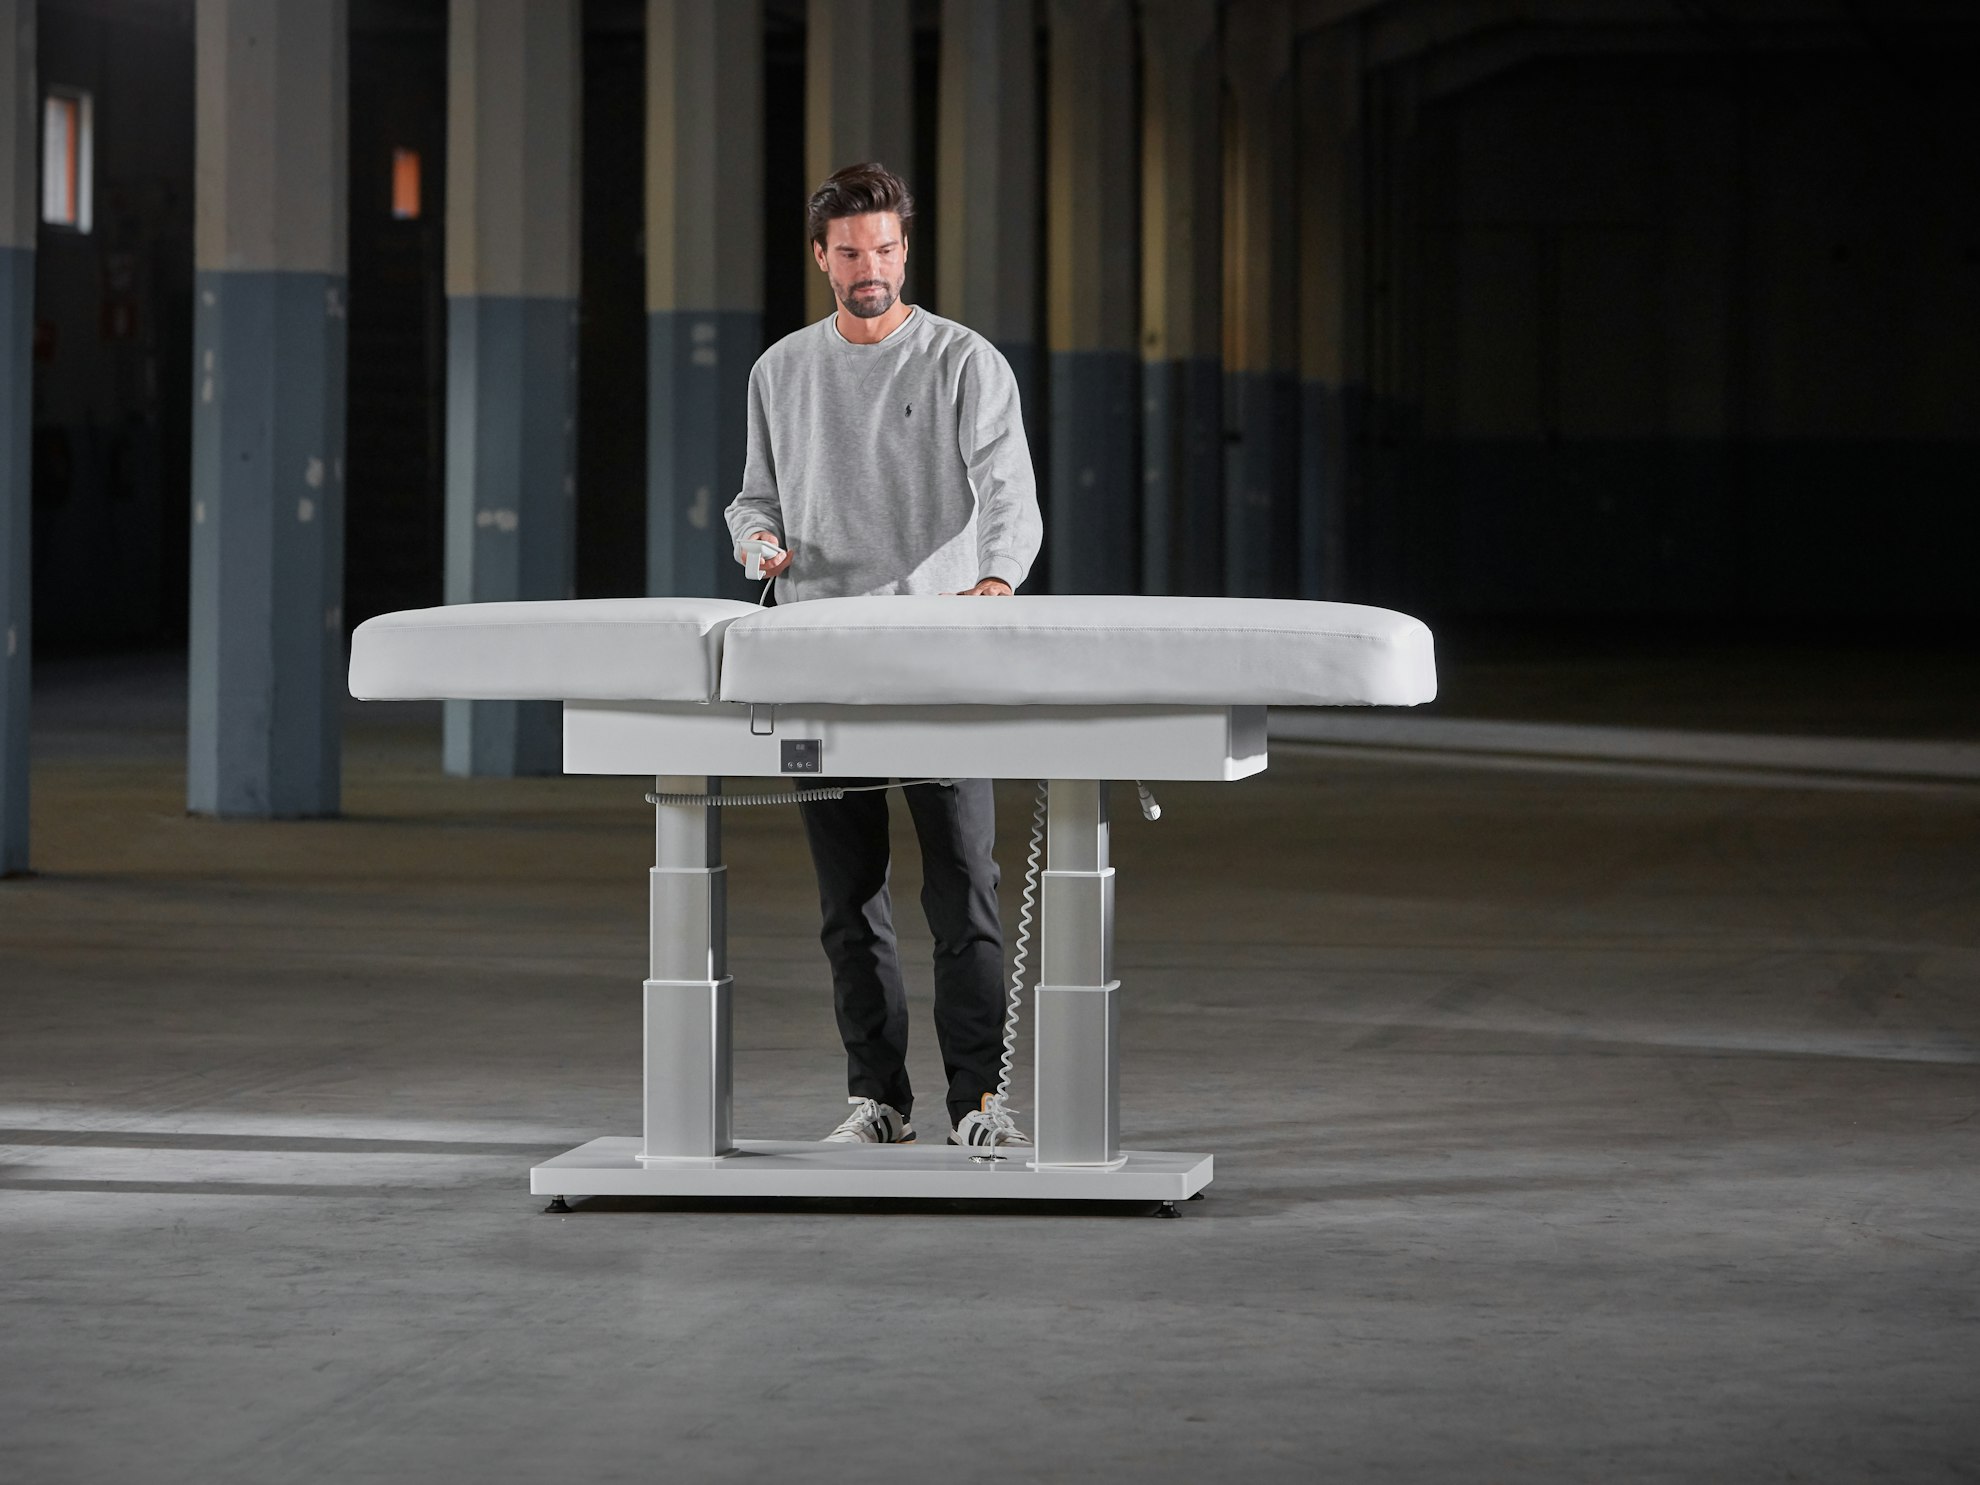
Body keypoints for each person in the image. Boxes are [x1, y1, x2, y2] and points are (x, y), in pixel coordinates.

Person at [724, 162, 1044, 1150]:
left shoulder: (962, 362)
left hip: (938, 654)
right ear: (821, 258)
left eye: (888, 249)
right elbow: (753, 498)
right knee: (848, 900)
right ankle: (879, 1099)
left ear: (906, 250)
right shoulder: (780, 372)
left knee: (964, 891)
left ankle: (979, 1103)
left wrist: (994, 583)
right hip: (820, 659)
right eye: (852, 252)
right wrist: (757, 543)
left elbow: (1010, 496)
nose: (873, 267)